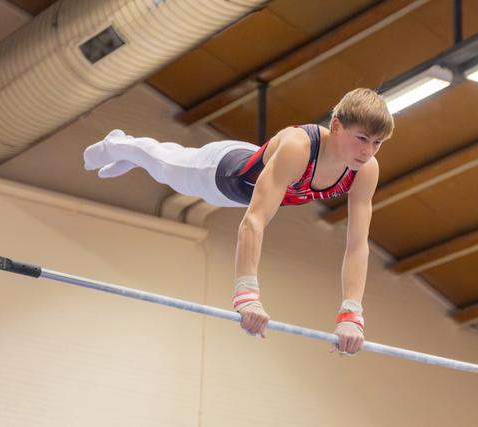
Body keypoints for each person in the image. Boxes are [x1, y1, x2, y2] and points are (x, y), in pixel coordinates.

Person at [83, 88, 394, 355]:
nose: (368, 151)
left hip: (253, 172)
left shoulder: (365, 170)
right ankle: (122, 144)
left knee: (165, 163)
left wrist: (351, 313)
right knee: (165, 164)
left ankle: (130, 153)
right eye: (362, 138)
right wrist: (247, 295)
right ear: (337, 126)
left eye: (377, 143)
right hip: (222, 175)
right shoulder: (301, 148)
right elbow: (255, 220)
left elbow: (356, 246)